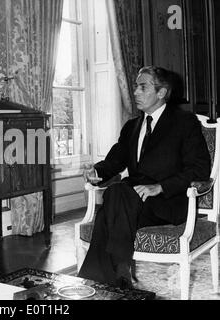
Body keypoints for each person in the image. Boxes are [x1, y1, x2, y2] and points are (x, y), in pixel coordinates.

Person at [77, 66, 211, 289]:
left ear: (161, 92)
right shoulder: (132, 126)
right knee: (117, 193)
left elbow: (198, 170)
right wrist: (97, 172)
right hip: (131, 200)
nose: (136, 92)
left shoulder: (184, 123)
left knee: (113, 200)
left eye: (143, 87)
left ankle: (96, 281)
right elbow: (115, 160)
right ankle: (120, 275)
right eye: (135, 87)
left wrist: (160, 187)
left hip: (167, 202)